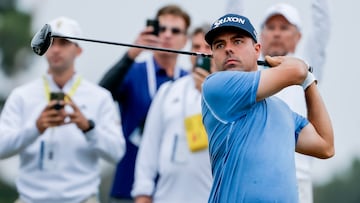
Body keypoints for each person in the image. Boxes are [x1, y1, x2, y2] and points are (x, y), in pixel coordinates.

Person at [201, 13, 334, 202]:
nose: (228, 49)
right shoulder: (216, 86)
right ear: (213, 55)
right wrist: (300, 70)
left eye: (237, 41)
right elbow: (295, 71)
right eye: (219, 45)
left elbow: (325, 145)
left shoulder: (282, 110)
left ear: (257, 50)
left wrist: (308, 82)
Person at [0, 16, 126, 203]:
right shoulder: (22, 95)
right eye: (51, 42)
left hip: (81, 199)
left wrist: (88, 128)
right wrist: (35, 129)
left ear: (79, 50)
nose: (56, 49)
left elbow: (117, 153)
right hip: (30, 199)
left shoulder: (99, 97)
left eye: (64, 43)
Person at [98, 4, 190, 202]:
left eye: (175, 31)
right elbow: (100, 96)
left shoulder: (190, 81)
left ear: (185, 39)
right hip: (129, 186)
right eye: (161, 29)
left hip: (175, 190)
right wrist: (132, 53)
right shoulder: (134, 71)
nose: (167, 35)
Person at [131, 24, 213, 203]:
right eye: (196, 47)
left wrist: (211, 93)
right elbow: (150, 145)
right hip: (166, 195)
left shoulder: (229, 94)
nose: (202, 53)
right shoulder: (168, 90)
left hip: (210, 196)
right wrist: (143, 192)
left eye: (208, 47)